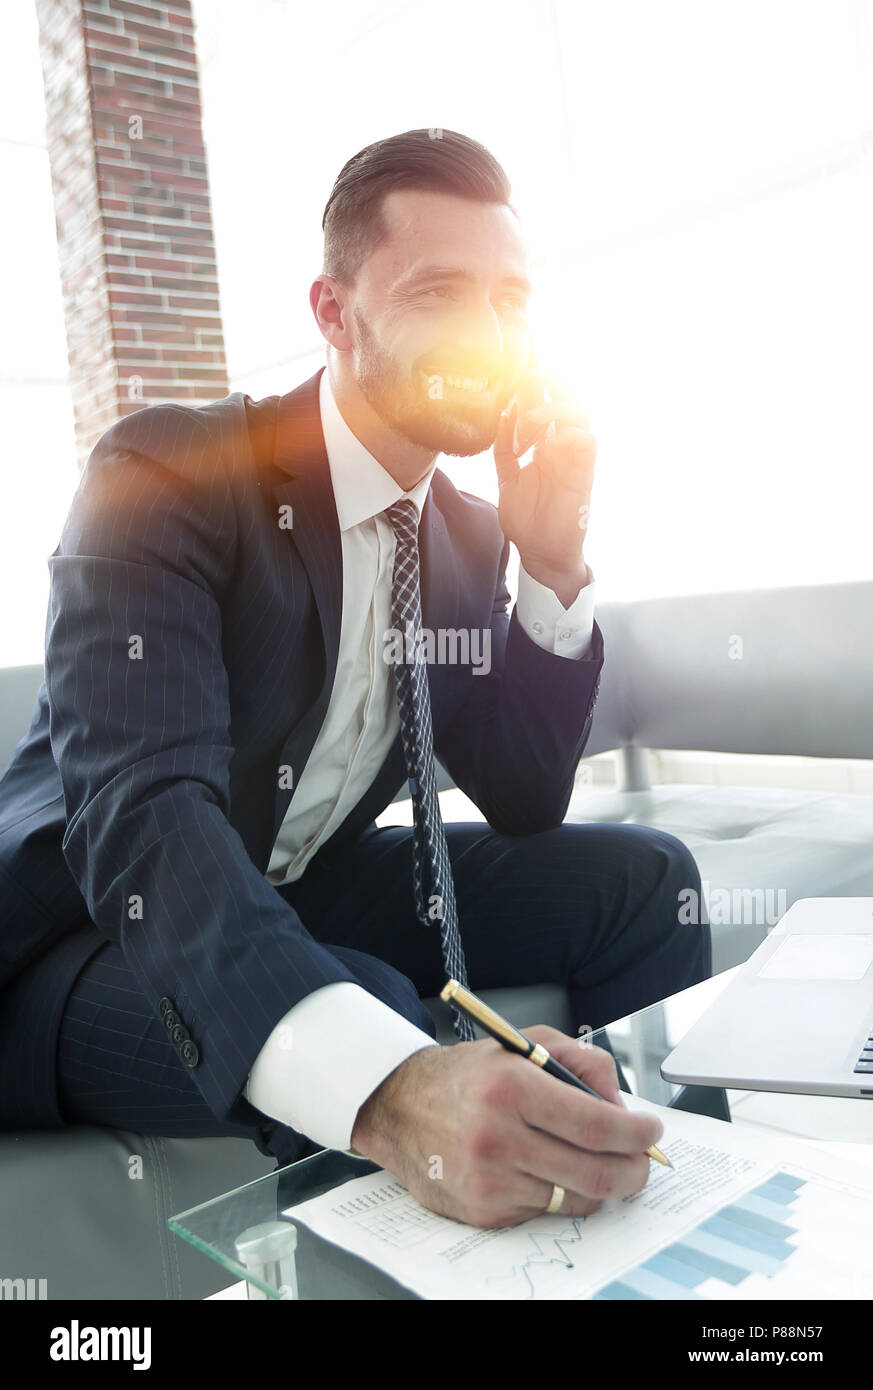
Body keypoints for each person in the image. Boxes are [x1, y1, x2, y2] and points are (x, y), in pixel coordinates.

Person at [0, 129, 710, 1230]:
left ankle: (671, 1194)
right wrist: (394, 1084)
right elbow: (146, 820)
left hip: (302, 875)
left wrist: (554, 566)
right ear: (334, 313)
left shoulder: (469, 538)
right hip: (82, 932)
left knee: (643, 876)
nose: (489, 335)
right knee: (366, 1013)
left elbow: (524, 795)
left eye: (511, 300)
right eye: (439, 291)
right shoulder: (167, 471)